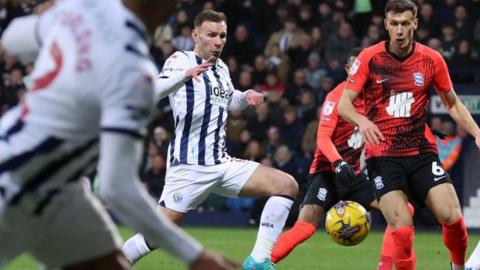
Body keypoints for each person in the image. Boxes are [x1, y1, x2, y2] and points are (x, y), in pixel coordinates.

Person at [0, 1, 239, 269]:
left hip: (59, 187)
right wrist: (195, 256)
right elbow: (116, 187)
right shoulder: (132, 70)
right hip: (16, 184)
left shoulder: (83, 10)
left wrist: (54, 16)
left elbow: (12, 39)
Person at [122, 10, 299, 270]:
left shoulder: (222, 68)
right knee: (156, 237)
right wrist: (184, 75)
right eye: (212, 35)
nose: (218, 41)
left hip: (221, 163)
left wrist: (245, 95)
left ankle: (259, 260)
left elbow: (228, 100)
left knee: (287, 186)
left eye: (222, 36)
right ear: (195, 35)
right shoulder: (180, 59)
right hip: (189, 166)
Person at [339, 1, 480, 269]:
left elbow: (451, 103)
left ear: (415, 23)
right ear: (386, 25)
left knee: (453, 218)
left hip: (421, 153)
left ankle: (458, 267)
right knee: (402, 229)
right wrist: (362, 121)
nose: (400, 30)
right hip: (383, 156)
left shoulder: (431, 59)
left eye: (405, 23)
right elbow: (346, 103)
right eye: (394, 24)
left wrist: (476, 132)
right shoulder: (370, 58)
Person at [270, 48, 414, 270]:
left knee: (403, 211)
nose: (359, 71)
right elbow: (322, 138)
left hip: (354, 174)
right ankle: (262, 262)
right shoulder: (336, 96)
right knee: (306, 226)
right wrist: (338, 162)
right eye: (354, 66)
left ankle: (384, 267)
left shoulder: (378, 98)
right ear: (348, 69)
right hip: (328, 171)